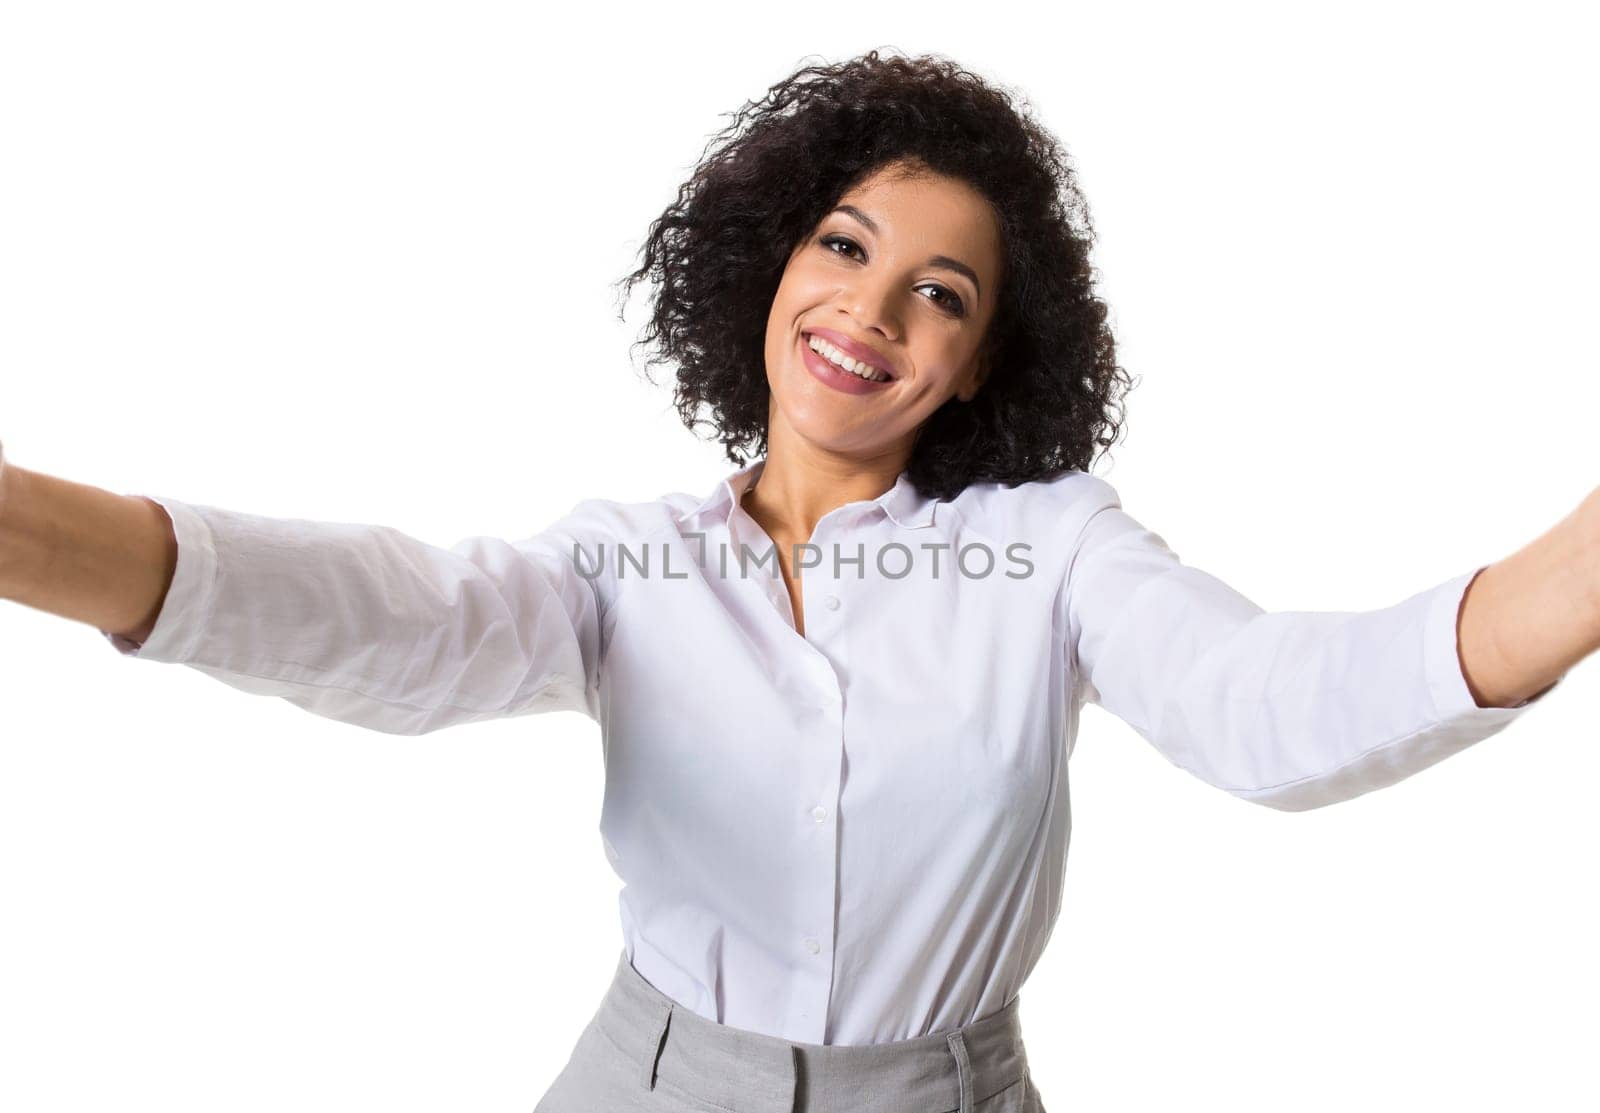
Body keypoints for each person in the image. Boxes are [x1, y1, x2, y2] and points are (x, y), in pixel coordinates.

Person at [0, 50, 1591, 1113]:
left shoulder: (1053, 553)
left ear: (979, 366)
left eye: (939, 293)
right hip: (649, 1077)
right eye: (842, 245)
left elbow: (1277, 712)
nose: (869, 310)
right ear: (772, 266)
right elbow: (397, 617)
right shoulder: (629, 561)